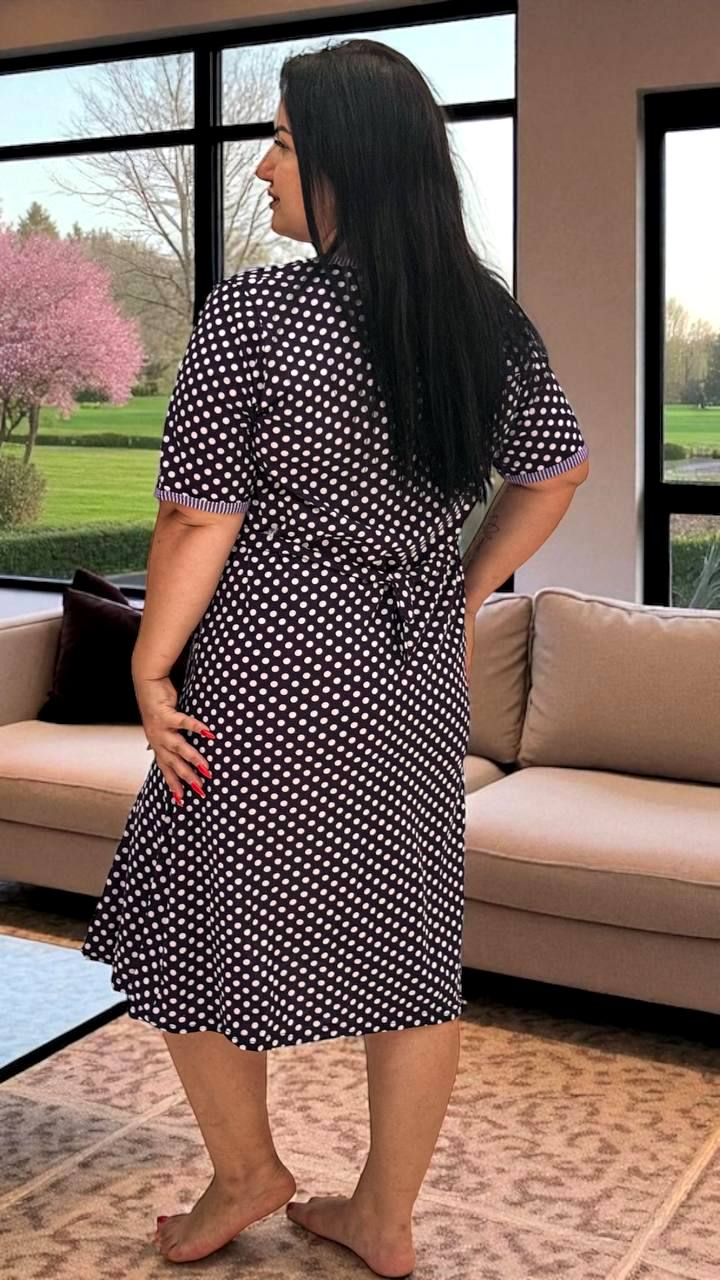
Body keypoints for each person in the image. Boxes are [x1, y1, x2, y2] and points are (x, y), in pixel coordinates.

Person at [80, 37, 590, 1278]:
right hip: (413, 677)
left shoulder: (257, 314)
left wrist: (149, 666)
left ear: (346, 160)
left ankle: (247, 1170)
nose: (261, 167)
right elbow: (558, 469)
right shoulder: (485, 320)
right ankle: (384, 1214)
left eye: (283, 141)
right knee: (410, 941)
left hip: (263, 670)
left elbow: (196, 516)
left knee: (190, 910)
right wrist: (464, 582)